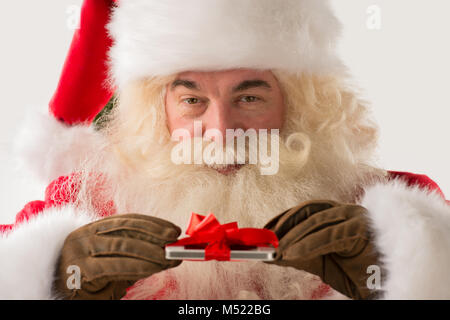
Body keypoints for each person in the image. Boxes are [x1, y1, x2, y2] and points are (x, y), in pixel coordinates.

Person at [1, 0, 449, 300]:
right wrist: (49, 281)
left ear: (303, 106)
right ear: (157, 112)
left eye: (249, 98)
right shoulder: (79, 210)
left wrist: (409, 275)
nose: (220, 130)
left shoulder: (389, 213)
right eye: (192, 100)